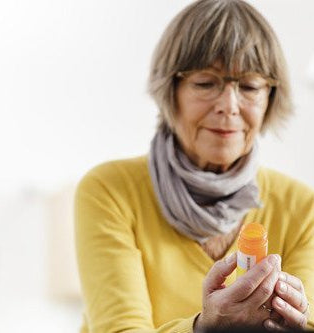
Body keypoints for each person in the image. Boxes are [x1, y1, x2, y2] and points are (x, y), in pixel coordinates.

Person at [74, 0, 314, 332]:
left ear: (270, 98)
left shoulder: (302, 207)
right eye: (205, 83)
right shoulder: (109, 190)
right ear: (170, 90)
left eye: (249, 86)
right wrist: (205, 327)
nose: (229, 106)